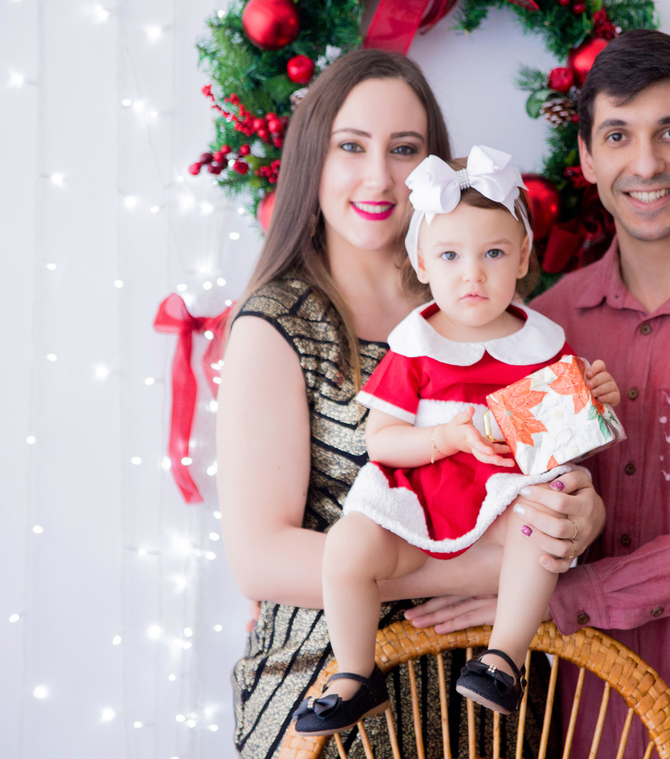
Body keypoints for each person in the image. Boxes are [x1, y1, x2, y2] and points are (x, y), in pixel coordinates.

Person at [408, 30, 670, 759]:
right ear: (586, 158)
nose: (645, 164)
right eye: (617, 135)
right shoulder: (546, 325)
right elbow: (499, 483)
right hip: (595, 715)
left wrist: (572, 598)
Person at [215, 51, 607, 759]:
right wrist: (482, 565)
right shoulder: (279, 324)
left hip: (488, 686)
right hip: (332, 682)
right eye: (351, 147)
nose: (379, 177)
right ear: (313, 161)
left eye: (405, 150)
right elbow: (261, 559)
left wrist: (579, 517)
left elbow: (551, 469)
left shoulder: (488, 308)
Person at [292, 146, 621, 735]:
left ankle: (505, 656)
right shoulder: (416, 345)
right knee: (345, 547)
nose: (473, 274)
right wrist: (446, 436)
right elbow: (384, 442)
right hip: (416, 512)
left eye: (493, 253)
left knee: (539, 522)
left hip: (501, 512)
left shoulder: (540, 345)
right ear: (422, 261)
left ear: (523, 257)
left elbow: (564, 448)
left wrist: (592, 401)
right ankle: (354, 673)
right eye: (451, 255)